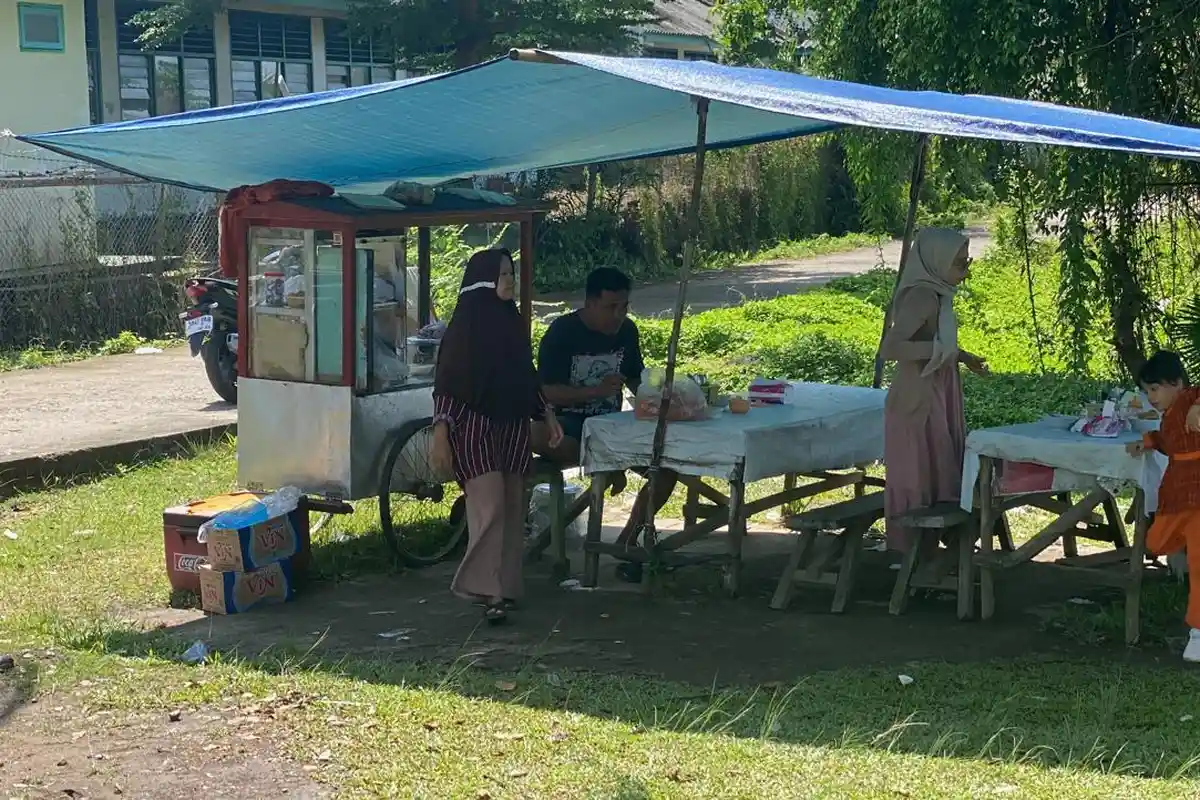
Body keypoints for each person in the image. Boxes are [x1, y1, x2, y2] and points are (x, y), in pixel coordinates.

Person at [431, 249, 563, 624]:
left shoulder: (511, 322)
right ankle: (485, 589)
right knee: (489, 506)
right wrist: (441, 433)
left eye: (511, 273)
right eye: (502, 274)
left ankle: (504, 588)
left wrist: (547, 414)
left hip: (512, 426)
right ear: (484, 280)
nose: (510, 281)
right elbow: (448, 384)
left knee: (512, 505)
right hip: (473, 428)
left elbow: (525, 374)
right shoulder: (464, 329)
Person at [534, 266, 677, 583]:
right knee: (535, 434)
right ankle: (609, 467)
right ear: (590, 303)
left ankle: (627, 541)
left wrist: (660, 397)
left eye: (624, 306)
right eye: (611, 307)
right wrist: (593, 392)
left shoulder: (627, 332)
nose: (619, 315)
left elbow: (636, 379)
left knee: (667, 470)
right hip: (568, 424)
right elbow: (546, 391)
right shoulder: (562, 332)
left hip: (614, 427)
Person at [881, 228, 989, 554]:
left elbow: (938, 342)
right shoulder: (922, 297)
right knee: (917, 473)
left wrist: (962, 356)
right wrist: (940, 351)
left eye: (967, 262)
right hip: (917, 398)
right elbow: (891, 348)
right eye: (960, 264)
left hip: (939, 389)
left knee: (942, 465)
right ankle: (908, 551)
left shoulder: (939, 294)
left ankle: (936, 549)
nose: (966, 272)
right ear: (936, 261)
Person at [1125, 350, 1200, 662]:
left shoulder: (1189, 399)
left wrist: (1198, 404)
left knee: (1198, 564)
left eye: (1155, 389)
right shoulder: (1169, 415)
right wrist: (1147, 442)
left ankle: (1197, 635)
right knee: (1156, 542)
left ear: (1177, 383)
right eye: (1147, 391)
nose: (1151, 397)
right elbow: (1167, 440)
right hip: (1177, 496)